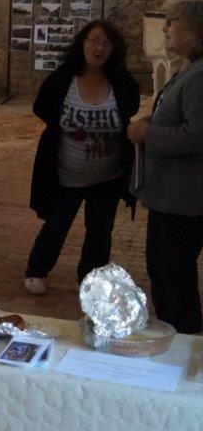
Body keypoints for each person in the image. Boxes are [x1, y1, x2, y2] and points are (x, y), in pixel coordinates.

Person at [24, 20, 140, 294]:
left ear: (114, 49)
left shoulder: (122, 83)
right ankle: (37, 270)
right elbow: (41, 107)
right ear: (82, 43)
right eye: (93, 40)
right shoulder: (64, 79)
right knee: (56, 225)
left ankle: (91, 281)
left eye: (105, 43)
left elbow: (129, 112)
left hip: (107, 176)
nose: (98, 48)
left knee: (100, 232)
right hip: (66, 173)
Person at [129, 0, 203, 334]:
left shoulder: (199, 76)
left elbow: (195, 135)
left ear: (195, 32)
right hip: (170, 197)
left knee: (175, 278)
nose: (167, 28)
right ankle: (174, 338)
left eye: (174, 22)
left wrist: (147, 133)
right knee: (161, 271)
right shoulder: (188, 71)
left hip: (183, 200)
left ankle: (185, 345)